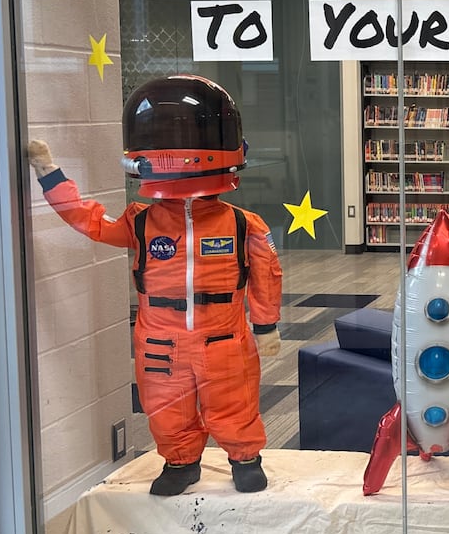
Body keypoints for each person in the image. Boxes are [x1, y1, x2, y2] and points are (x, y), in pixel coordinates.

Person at [27, 75, 282, 497]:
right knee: (166, 406)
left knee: (233, 401)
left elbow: (267, 273)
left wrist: (267, 325)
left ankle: (244, 458)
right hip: (160, 338)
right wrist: (50, 176)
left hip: (223, 335)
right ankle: (181, 463)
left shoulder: (242, 223)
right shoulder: (140, 222)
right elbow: (88, 221)